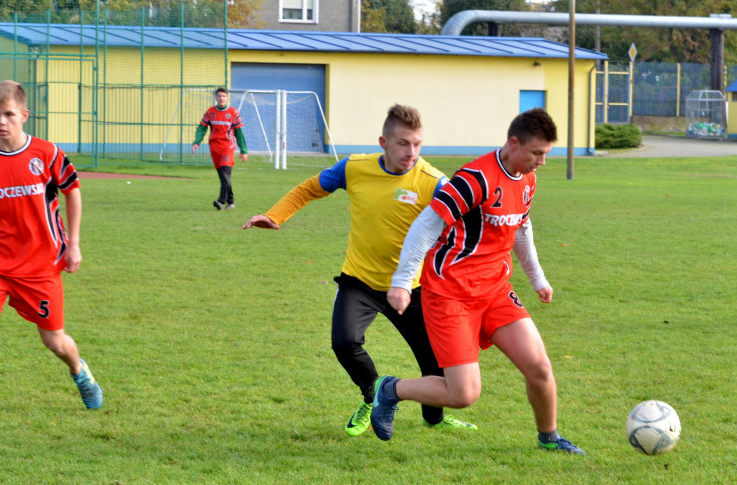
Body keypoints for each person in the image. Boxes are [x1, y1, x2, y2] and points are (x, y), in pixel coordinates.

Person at [241, 104, 475, 436]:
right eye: (403, 144)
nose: (412, 152)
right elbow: (309, 188)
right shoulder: (354, 167)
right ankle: (372, 396)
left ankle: (436, 418)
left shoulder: (433, 181)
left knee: (436, 363)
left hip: (413, 287)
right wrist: (276, 215)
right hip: (360, 282)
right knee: (343, 342)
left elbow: (463, 227)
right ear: (384, 142)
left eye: (418, 144)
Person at [371, 107, 585, 455]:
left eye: (546, 154)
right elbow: (426, 226)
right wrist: (401, 281)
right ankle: (391, 389)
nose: (542, 162)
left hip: (496, 291)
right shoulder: (474, 178)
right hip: (450, 294)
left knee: (540, 367)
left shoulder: (527, 179)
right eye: (537, 153)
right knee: (463, 395)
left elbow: (521, 228)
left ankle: (550, 437)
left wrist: (537, 278)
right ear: (513, 143)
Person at [0, 80, 103, 422]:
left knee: (54, 341)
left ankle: (79, 371)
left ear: (24, 115)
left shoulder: (47, 153)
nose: (1, 121)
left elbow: (72, 192)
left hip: (42, 263)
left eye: (8, 114)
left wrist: (73, 244)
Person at [192, 87, 248, 210]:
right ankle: (231, 201)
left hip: (228, 147)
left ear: (227, 98)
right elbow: (202, 128)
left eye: (223, 96)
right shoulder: (210, 112)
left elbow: (239, 132)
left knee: (224, 173)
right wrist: (197, 142)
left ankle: (221, 201)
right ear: (216, 98)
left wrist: (243, 150)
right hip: (214, 148)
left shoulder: (233, 113)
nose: (221, 98)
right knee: (223, 176)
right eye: (219, 96)